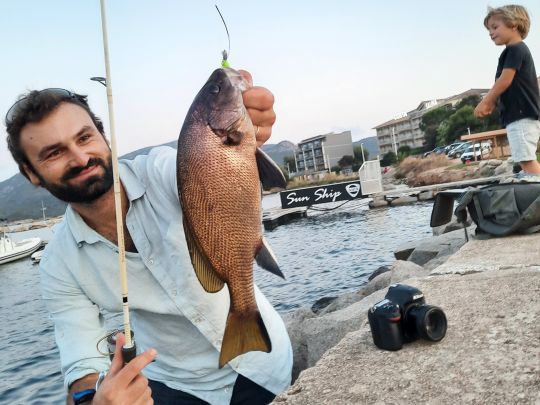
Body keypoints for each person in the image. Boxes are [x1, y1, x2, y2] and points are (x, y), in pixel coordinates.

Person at [4, 70, 292, 405]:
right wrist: (92, 400)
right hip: (176, 386)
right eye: (54, 153)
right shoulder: (58, 264)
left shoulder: (162, 169)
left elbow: (206, 169)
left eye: (85, 138)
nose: (80, 158)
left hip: (265, 362)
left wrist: (248, 128)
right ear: (30, 174)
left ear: (104, 138)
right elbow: (81, 363)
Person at [474, 5, 540, 180]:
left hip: (521, 115)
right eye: (489, 29)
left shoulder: (516, 49)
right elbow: (505, 83)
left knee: (527, 161)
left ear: (514, 25)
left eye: (495, 27)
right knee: (524, 161)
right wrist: (494, 102)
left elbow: (505, 79)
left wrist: (487, 100)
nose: (491, 32)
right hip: (518, 115)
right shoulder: (512, 51)